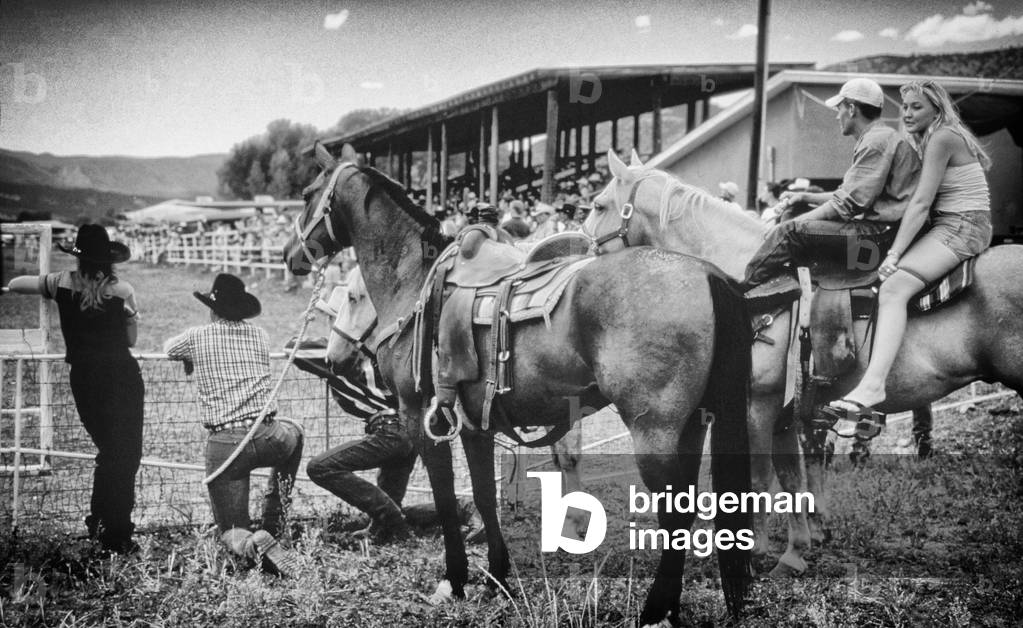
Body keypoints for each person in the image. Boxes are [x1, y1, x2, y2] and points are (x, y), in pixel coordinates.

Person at [824, 80, 992, 422]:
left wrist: (893, 255)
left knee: (893, 288)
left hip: (960, 226)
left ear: (937, 108)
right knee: (862, 263)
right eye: (905, 107)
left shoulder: (942, 137)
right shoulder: (933, 138)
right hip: (953, 224)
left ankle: (873, 385)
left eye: (917, 106)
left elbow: (919, 203)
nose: (908, 113)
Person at [5, 225, 144, 555]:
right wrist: (130, 316)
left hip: (84, 378)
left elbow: (15, 284)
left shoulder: (60, 283)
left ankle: (102, 524)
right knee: (125, 454)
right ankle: (116, 532)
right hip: (121, 376)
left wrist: (47, 284)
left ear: (79, 255)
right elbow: (130, 340)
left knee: (109, 451)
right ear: (109, 258)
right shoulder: (121, 289)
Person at [163, 273, 303, 576]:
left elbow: (169, 348)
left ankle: (250, 542)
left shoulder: (197, 336)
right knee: (296, 434)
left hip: (226, 442)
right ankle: (273, 525)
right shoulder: (260, 336)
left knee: (231, 530)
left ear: (213, 309)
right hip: (268, 433)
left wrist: (191, 359)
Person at [741, 78, 921, 289]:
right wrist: (804, 197)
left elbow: (845, 204)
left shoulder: (876, 142)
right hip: (882, 233)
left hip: (876, 240)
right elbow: (847, 195)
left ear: (852, 109)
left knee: (788, 233)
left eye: (839, 108)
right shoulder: (882, 137)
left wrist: (787, 228)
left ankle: (742, 294)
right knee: (796, 212)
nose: (837, 116)